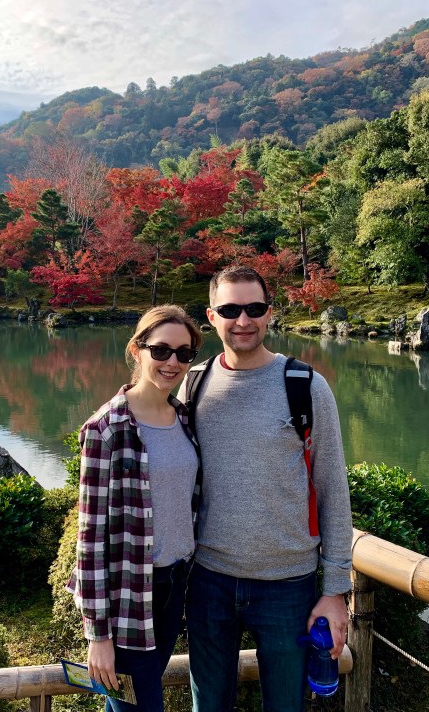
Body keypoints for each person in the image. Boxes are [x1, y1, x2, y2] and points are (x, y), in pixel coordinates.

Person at [180, 266, 353, 712]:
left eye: (254, 309)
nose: (243, 320)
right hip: (209, 579)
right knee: (209, 705)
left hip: (287, 583)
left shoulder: (305, 387)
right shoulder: (193, 383)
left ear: (269, 314)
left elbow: (332, 490)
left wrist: (335, 592)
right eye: (230, 309)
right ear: (211, 316)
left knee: (285, 706)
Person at [67, 305, 203, 712]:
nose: (172, 362)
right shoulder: (106, 429)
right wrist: (98, 636)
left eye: (184, 353)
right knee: (140, 706)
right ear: (136, 350)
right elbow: (89, 538)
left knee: (132, 704)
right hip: (131, 594)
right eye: (161, 351)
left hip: (177, 584)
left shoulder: (184, 418)